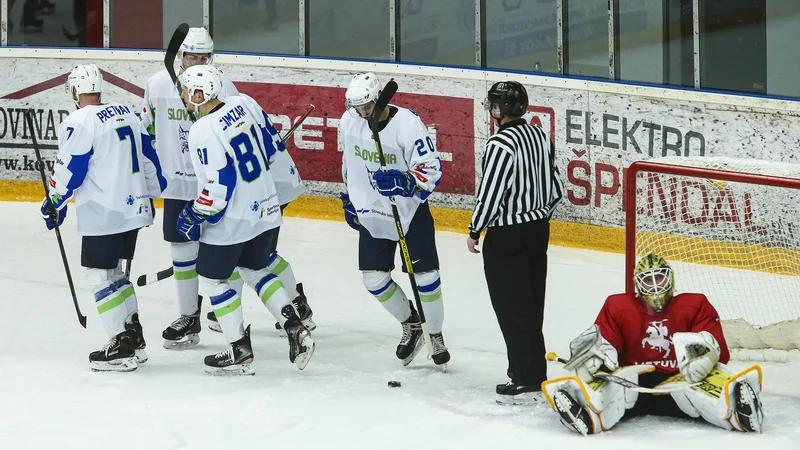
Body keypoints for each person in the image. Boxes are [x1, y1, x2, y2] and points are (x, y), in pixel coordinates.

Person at [142, 26, 313, 348]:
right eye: (193, 56)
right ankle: (189, 316)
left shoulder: (222, 85)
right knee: (184, 250)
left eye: (205, 56)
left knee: (245, 256)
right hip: (180, 184)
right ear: (181, 56)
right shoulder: (156, 85)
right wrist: (154, 181)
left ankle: (291, 304)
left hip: (222, 187)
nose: (199, 61)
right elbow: (149, 131)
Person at [177, 65, 314, 375]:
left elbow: (219, 184)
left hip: (233, 220)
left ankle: (238, 350)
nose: (183, 96)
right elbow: (269, 147)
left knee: (213, 280)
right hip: (266, 208)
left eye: (186, 91)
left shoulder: (202, 130)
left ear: (200, 95)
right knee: (256, 269)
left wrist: (194, 213)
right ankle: (295, 326)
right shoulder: (243, 104)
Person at [542, 253, 764, 435]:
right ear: (638, 284)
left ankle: (740, 414)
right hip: (635, 385)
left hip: (680, 382)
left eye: (660, 278)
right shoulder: (618, 307)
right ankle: (586, 414)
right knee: (613, 387)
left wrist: (704, 356)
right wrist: (597, 359)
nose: (656, 286)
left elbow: (719, 351)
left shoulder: (694, 304)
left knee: (705, 385)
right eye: (648, 280)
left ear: (671, 279)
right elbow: (606, 342)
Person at [39, 64, 165, 372]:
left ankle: (119, 343)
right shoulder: (126, 113)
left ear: (74, 91)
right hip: (134, 208)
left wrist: (54, 202)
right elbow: (150, 159)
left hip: (105, 212)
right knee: (116, 275)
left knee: (98, 276)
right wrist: (152, 193)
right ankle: (134, 338)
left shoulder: (79, 121)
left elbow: (72, 168)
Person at [338, 72, 449, 367]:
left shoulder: (408, 124)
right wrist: (350, 198)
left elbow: (431, 169)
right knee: (373, 279)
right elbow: (348, 162)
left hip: (409, 212)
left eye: (367, 107)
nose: (362, 114)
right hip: (372, 211)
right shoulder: (349, 122)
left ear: (379, 99)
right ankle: (411, 323)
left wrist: (405, 180)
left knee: (426, 278)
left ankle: (434, 334)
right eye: (357, 108)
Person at [467, 80, 564, 405]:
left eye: (493, 104)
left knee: (512, 308)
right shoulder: (540, 136)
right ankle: (532, 371)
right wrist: (538, 216)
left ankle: (525, 376)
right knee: (532, 304)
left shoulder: (500, 145)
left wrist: (475, 229)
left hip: (508, 238)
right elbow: (556, 189)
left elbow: (491, 195)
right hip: (539, 231)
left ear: (499, 110)